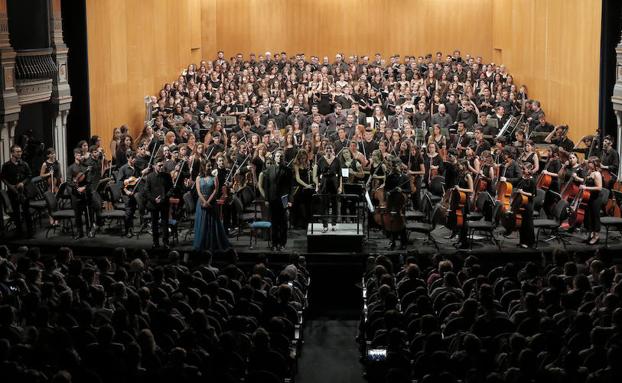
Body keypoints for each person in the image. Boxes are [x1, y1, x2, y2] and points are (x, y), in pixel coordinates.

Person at [193, 160, 232, 253]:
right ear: (203, 167)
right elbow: (198, 192)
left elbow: (215, 191)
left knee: (212, 222)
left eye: (210, 166)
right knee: (202, 223)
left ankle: (212, 243)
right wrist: (204, 202)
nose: (210, 168)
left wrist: (208, 202)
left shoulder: (214, 178)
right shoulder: (198, 178)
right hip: (201, 203)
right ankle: (202, 244)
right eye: (208, 166)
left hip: (211, 203)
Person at [259, 150, 293, 251]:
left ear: (283, 158)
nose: (279, 158)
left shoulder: (288, 170)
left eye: (281, 156)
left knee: (283, 223)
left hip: (284, 199)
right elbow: (266, 186)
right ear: (274, 158)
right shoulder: (269, 169)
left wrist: (290, 200)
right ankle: (274, 243)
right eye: (277, 156)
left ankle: (282, 244)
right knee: (274, 223)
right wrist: (266, 199)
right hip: (273, 199)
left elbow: (290, 186)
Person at [0, 144, 34, 238]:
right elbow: (3, 177)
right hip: (13, 191)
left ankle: (30, 233)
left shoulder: (24, 164)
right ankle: (19, 233)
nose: (20, 153)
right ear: (12, 153)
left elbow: (29, 175)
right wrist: (10, 186)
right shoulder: (6, 165)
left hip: (24, 191)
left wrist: (23, 183)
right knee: (16, 213)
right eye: (17, 151)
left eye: (20, 151)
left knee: (27, 212)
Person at [66, 148, 100, 239]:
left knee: (89, 213)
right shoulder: (71, 168)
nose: (79, 156)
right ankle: (79, 232)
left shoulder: (86, 167)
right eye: (77, 154)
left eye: (80, 155)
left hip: (86, 193)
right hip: (75, 193)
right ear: (74, 155)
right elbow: (68, 181)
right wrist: (77, 188)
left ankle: (90, 231)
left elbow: (89, 180)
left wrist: (84, 187)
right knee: (77, 214)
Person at [143, 159, 173, 248]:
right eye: (159, 165)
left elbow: (171, 189)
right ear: (154, 165)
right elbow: (146, 190)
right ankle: (155, 242)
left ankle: (165, 242)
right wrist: (154, 199)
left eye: (162, 165)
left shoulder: (167, 176)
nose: (161, 167)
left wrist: (163, 198)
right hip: (154, 203)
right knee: (154, 224)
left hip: (164, 202)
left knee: (165, 223)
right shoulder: (150, 176)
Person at [384, 156, 411, 250]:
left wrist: (402, 189)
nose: (394, 168)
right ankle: (393, 241)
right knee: (391, 223)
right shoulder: (389, 177)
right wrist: (387, 192)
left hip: (400, 204)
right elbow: (386, 188)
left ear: (400, 166)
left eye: (395, 166)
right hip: (391, 203)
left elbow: (409, 190)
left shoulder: (405, 177)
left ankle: (403, 242)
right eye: (393, 167)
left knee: (400, 223)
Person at [314, 143, 342, 232]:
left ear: (333, 150)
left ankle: (334, 224)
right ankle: (325, 225)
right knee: (324, 205)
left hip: (334, 183)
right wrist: (317, 185)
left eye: (330, 149)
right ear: (324, 150)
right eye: (327, 149)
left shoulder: (337, 160)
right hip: (324, 184)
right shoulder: (321, 160)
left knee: (335, 204)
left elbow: (340, 175)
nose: (328, 151)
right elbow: (317, 174)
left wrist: (340, 186)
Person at [513, 163, 537, 248]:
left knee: (527, 224)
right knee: (522, 224)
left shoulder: (532, 180)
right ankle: (522, 241)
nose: (522, 171)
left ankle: (529, 242)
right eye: (522, 169)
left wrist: (522, 192)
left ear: (529, 170)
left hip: (528, 205)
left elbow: (533, 195)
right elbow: (517, 186)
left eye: (524, 169)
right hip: (521, 203)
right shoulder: (523, 179)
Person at [580, 157, 603, 245]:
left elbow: (599, 187)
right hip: (589, 197)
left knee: (595, 217)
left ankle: (596, 236)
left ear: (594, 164)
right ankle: (590, 235)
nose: (588, 164)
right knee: (588, 217)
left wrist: (586, 187)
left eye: (590, 163)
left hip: (596, 198)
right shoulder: (590, 171)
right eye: (588, 162)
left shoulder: (597, 174)